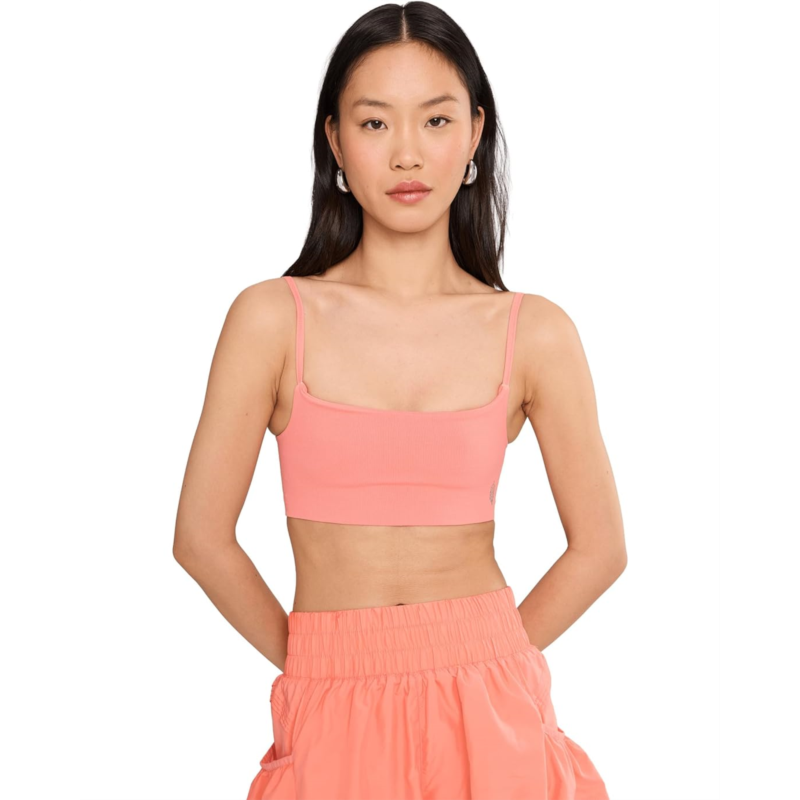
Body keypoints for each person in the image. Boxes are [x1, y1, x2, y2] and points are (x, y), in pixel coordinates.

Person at [173, 3, 626, 798]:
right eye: (375, 122)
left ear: (476, 133)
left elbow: (602, 549)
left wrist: (489, 653)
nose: (408, 152)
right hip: (331, 704)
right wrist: (319, 660)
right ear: (335, 141)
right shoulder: (272, 319)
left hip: (493, 704)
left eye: (437, 119)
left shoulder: (535, 332)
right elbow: (200, 539)